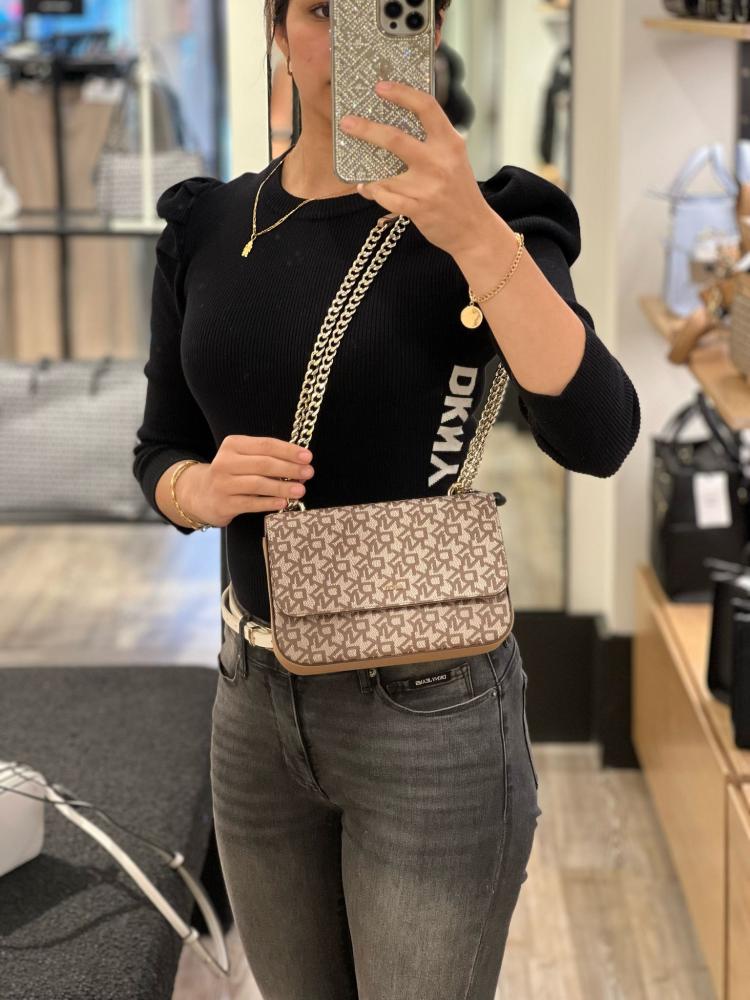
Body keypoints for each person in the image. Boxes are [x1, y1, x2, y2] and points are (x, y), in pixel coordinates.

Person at [132, 2, 640, 997]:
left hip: (433, 714)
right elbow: (161, 447)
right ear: (278, 30)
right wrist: (198, 488)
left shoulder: (498, 219)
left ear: (431, 28)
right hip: (250, 700)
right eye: (323, 9)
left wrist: (470, 230)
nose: (350, 37)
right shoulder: (208, 225)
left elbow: (600, 433)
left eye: (388, 5)